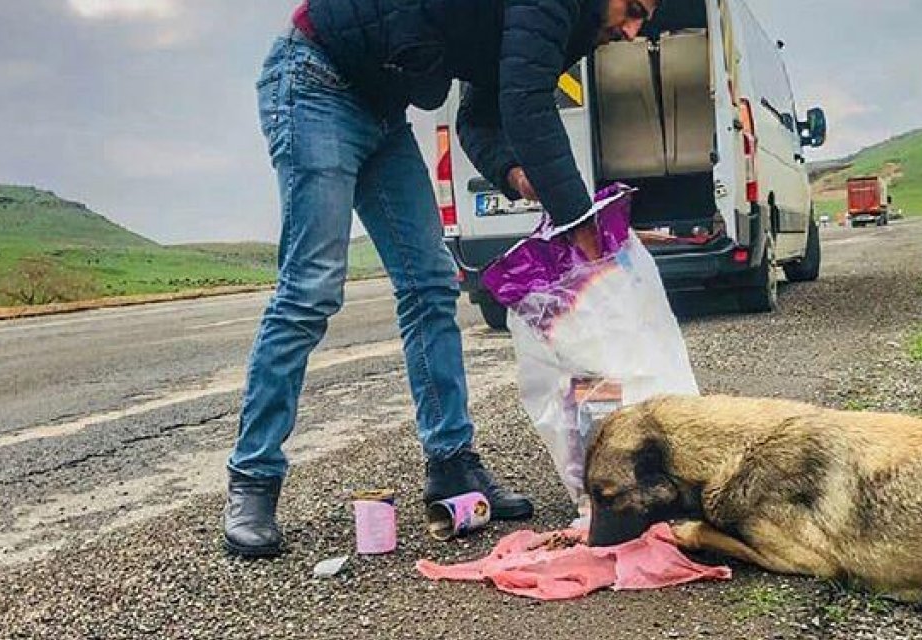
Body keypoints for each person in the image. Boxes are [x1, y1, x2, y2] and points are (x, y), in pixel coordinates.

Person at [224, 0, 660, 558]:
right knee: (311, 286)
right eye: (633, 10)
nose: (630, 29)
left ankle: (453, 466)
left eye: (643, 21)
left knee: (431, 285)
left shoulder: (569, 29)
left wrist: (509, 169)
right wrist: (581, 225)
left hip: (381, 109)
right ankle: (253, 480)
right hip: (314, 80)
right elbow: (527, 106)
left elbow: (482, 112)